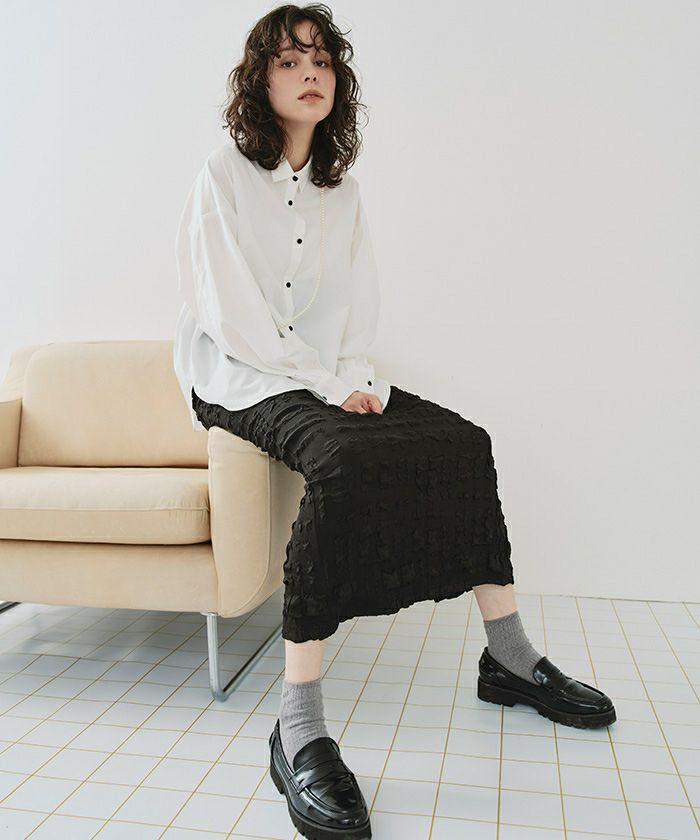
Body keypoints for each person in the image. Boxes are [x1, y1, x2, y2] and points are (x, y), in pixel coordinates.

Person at [173, 5, 616, 838]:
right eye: (288, 60)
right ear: (259, 81)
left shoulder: (340, 191)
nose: (310, 72)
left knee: (462, 443)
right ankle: (297, 723)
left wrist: (354, 380)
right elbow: (232, 317)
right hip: (238, 374)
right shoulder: (222, 174)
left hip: (324, 372)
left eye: (322, 60)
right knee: (341, 461)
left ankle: (508, 657)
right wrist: (325, 386)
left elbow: (352, 306)